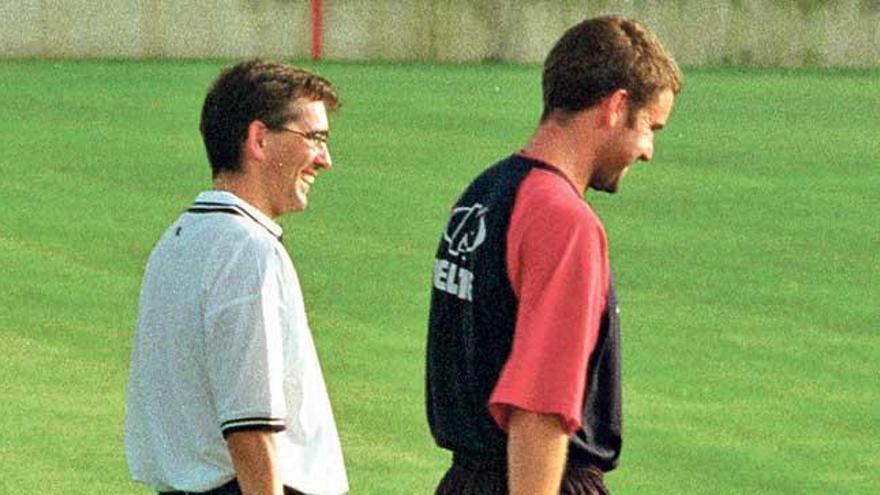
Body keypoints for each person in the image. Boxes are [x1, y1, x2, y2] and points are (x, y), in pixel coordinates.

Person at [426, 15, 683, 494]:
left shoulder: (484, 192)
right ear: (615, 106)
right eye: (651, 127)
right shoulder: (564, 221)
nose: (648, 150)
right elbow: (539, 407)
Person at [124, 59, 348, 495]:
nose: (325, 159)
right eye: (314, 138)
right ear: (259, 139)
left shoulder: (175, 242)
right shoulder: (249, 251)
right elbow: (249, 426)